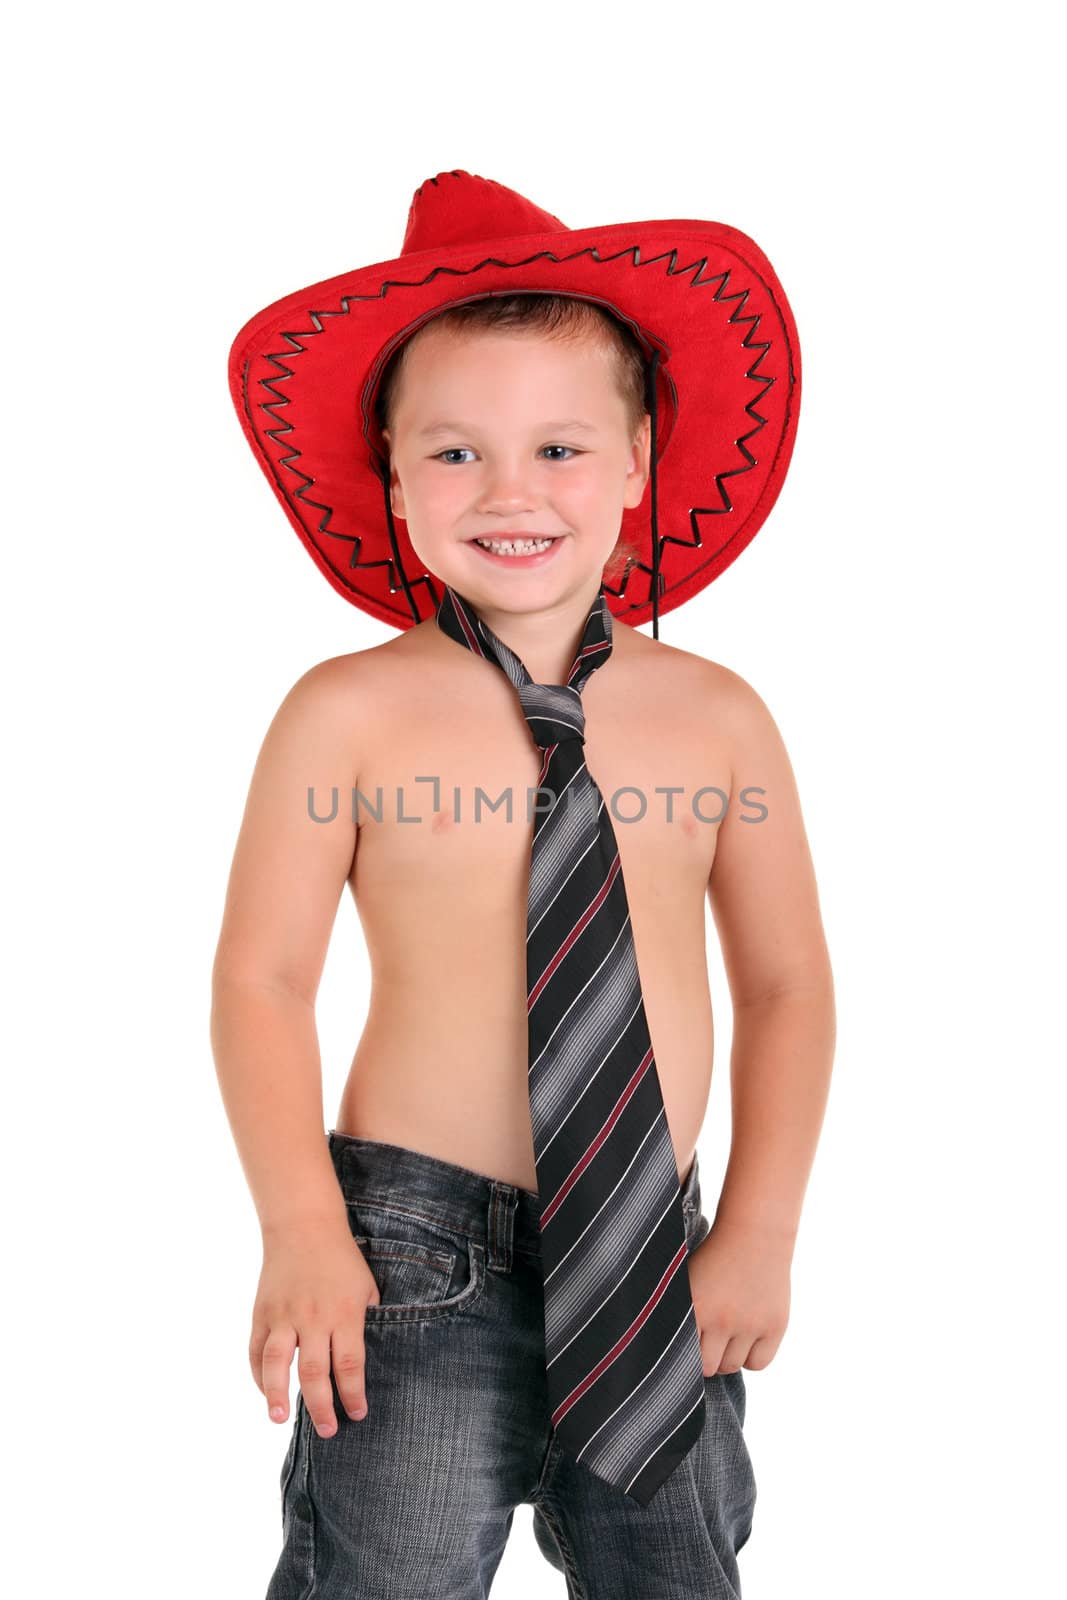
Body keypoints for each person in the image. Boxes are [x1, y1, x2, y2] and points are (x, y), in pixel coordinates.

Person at [213, 169, 835, 1598]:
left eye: (559, 448)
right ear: (387, 474)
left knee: (676, 1575)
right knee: (389, 1576)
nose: (509, 494)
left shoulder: (717, 714)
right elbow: (261, 979)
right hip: (414, 1261)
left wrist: (759, 1225)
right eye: (454, 454)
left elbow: (790, 984)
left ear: (639, 460)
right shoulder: (348, 712)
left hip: (657, 1250)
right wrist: (303, 1227)